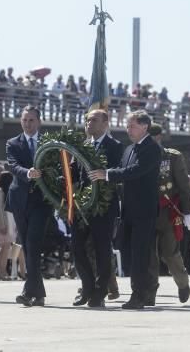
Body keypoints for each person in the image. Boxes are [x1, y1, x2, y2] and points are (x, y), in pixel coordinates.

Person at [89, 110, 161, 309]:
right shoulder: (129, 149)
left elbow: (135, 171)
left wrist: (107, 174)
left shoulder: (152, 149)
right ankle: (142, 291)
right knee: (129, 253)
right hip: (128, 211)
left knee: (140, 254)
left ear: (144, 126)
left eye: (132, 126)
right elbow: (123, 169)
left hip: (144, 211)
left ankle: (139, 295)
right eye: (128, 126)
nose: (128, 130)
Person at [72, 109, 123, 308]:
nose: (88, 123)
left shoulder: (115, 146)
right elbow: (76, 174)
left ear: (105, 123)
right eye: (87, 120)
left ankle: (100, 292)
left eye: (93, 120)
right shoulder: (82, 147)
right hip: (83, 206)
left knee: (102, 250)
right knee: (77, 247)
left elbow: (119, 171)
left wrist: (106, 173)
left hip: (104, 206)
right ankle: (87, 287)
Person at [6, 105, 53, 307]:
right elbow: (13, 165)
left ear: (39, 122)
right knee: (27, 245)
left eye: (31, 120)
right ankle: (37, 293)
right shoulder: (12, 143)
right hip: (20, 200)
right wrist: (28, 172)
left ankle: (28, 291)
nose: (28, 124)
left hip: (41, 201)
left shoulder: (48, 143)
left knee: (33, 243)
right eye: (24, 120)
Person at [146, 123, 190, 303]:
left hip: (168, 213)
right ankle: (150, 294)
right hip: (148, 213)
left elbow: (184, 185)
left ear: (158, 137)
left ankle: (182, 283)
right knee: (150, 255)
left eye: (151, 136)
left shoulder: (172, 157)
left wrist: (189, 211)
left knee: (170, 253)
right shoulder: (139, 155)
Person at [0, 171, 18, 281]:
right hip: (1, 223)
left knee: (6, 248)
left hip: (9, 222)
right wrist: (2, 225)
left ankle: (2, 270)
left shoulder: (6, 191)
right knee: (4, 247)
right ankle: (1, 271)